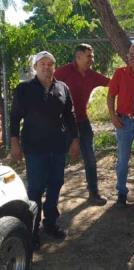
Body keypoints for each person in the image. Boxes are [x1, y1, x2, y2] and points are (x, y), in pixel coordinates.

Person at [10, 51, 80, 250]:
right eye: (43, 64)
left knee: (56, 184)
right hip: (35, 148)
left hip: (57, 147)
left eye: (50, 64)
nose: (47, 67)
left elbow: (70, 116)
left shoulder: (62, 87)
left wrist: (74, 140)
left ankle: (50, 223)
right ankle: (32, 231)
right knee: (36, 189)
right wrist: (15, 142)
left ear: (54, 67)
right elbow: (15, 117)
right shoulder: (24, 89)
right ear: (35, 67)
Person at [54, 43, 109, 206]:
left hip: (82, 122)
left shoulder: (92, 75)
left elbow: (112, 83)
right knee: (58, 159)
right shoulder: (62, 72)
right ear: (78, 57)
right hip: (61, 122)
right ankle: (51, 195)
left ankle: (94, 193)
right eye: (89, 56)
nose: (92, 59)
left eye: (92, 56)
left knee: (90, 158)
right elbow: (47, 88)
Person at [108, 44, 134, 206]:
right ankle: (121, 193)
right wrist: (113, 117)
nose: (132, 58)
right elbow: (110, 96)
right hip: (123, 122)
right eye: (130, 54)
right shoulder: (120, 73)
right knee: (123, 160)